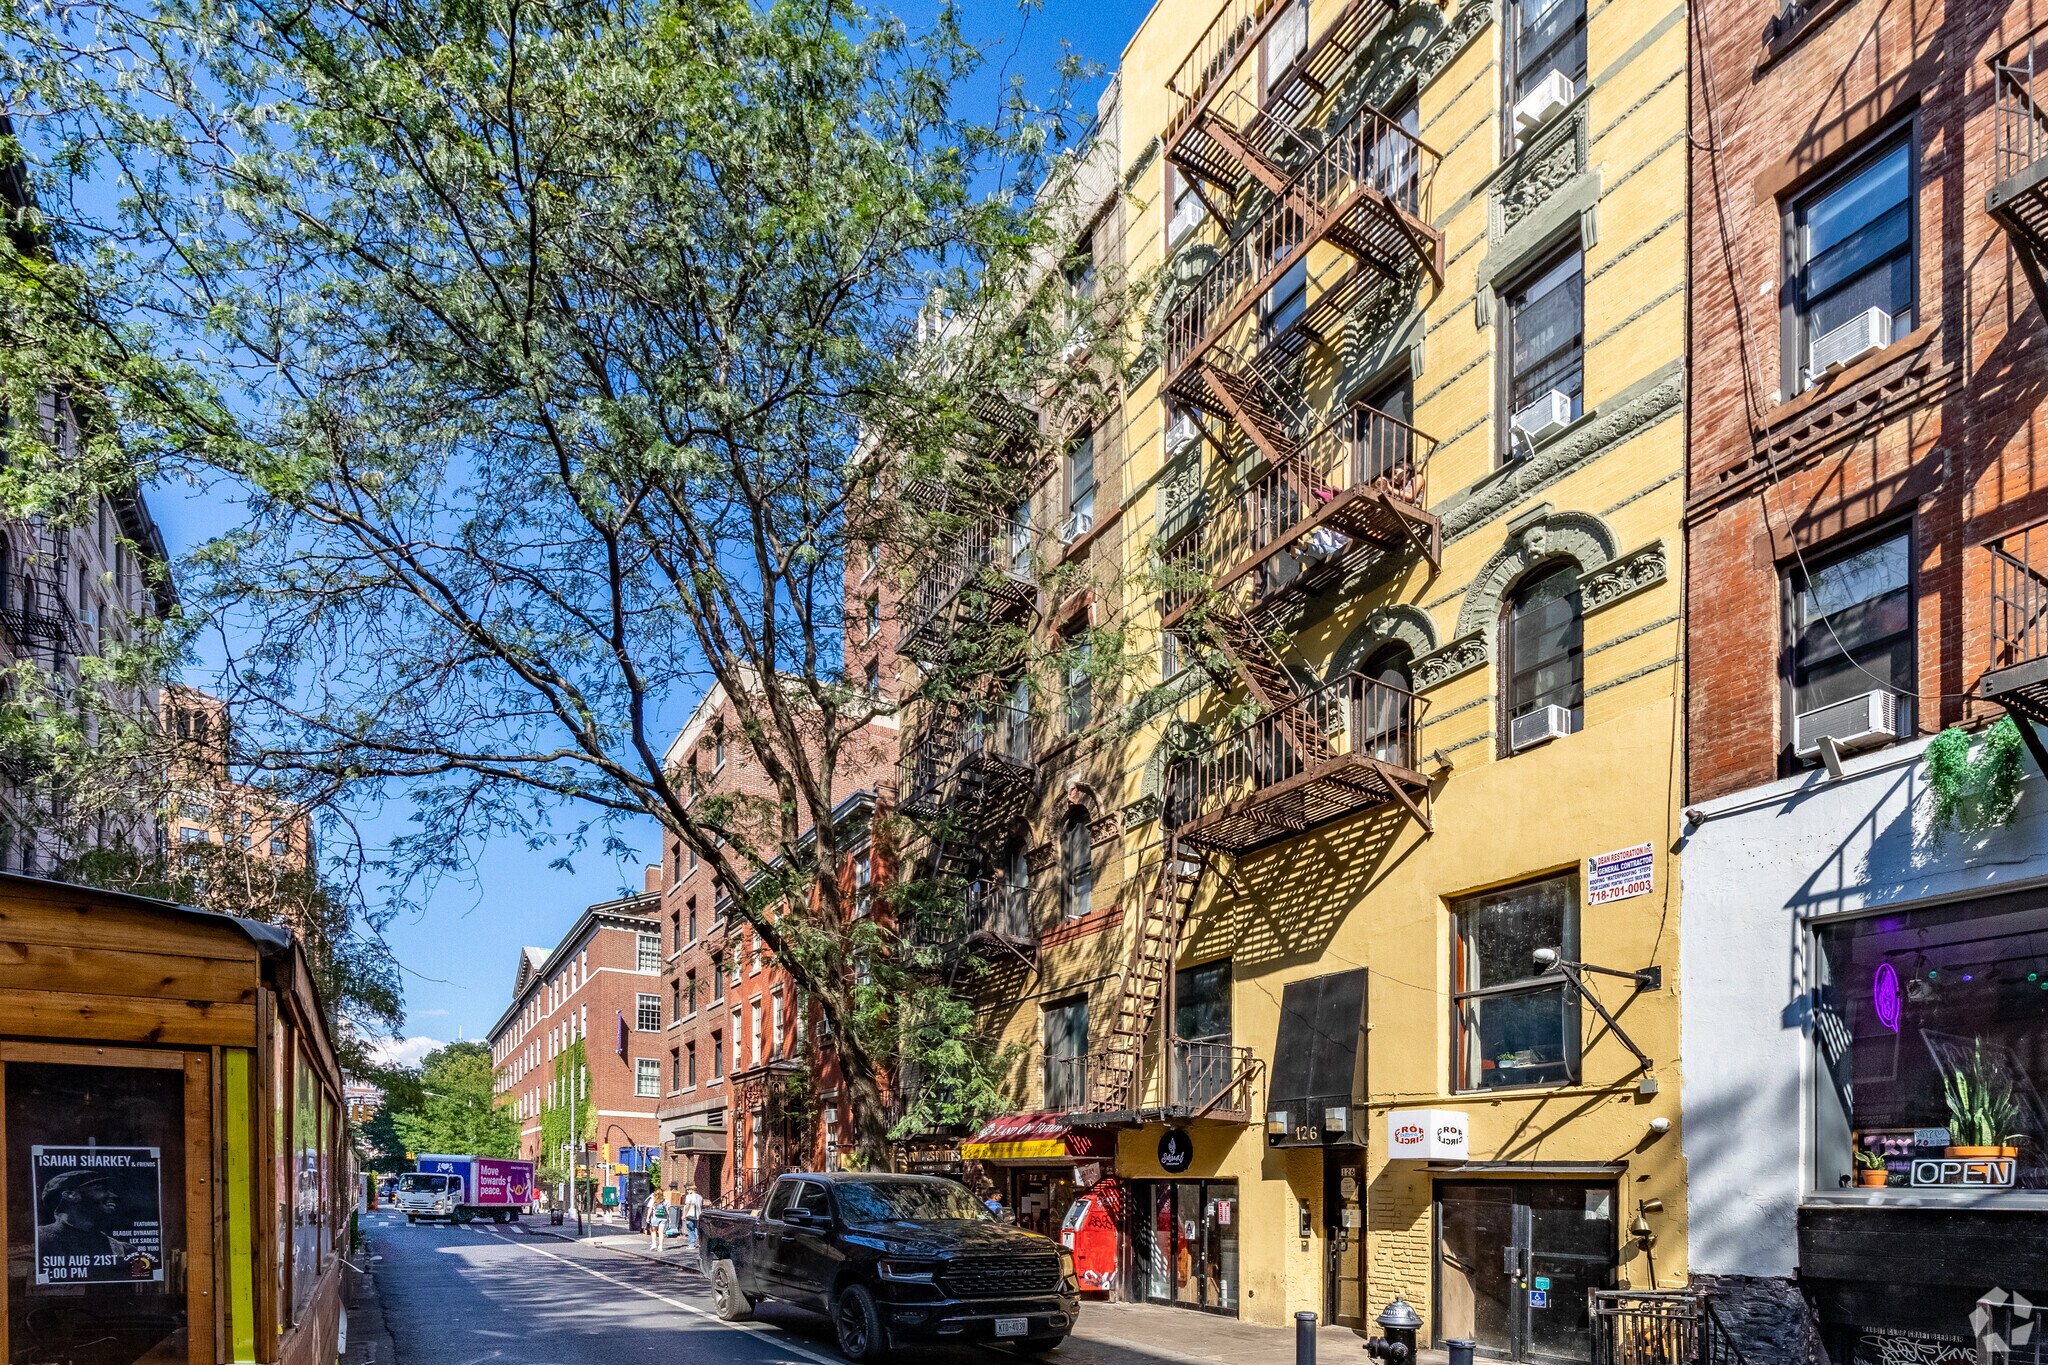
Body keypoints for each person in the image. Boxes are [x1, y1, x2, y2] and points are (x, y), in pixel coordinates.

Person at [36, 1171, 137, 1261]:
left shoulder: (126, 1250)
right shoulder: (38, 1239)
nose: (114, 1196)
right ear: (71, 1196)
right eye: (102, 1189)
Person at [682, 1182, 704, 1253]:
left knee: (690, 1229)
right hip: (698, 1215)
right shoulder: (700, 1197)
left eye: (688, 1190)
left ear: (692, 1190)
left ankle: (692, 1244)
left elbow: (687, 1205)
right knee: (696, 1229)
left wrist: (684, 1214)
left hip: (690, 1215)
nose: (687, 1191)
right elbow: (702, 1206)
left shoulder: (689, 1197)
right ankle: (699, 1242)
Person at [645, 1186, 667, 1253]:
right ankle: (660, 1246)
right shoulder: (665, 1200)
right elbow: (667, 1210)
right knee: (661, 1232)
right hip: (663, 1217)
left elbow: (650, 1209)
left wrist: (647, 1217)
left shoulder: (653, 1200)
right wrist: (669, 1218)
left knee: (653, 1231)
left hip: (655, 1217)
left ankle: (654, 1244)